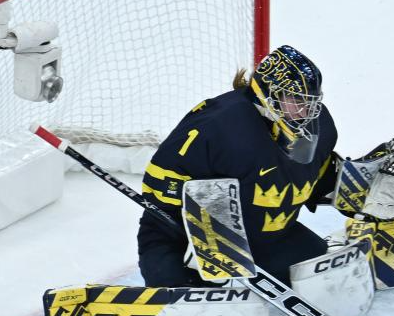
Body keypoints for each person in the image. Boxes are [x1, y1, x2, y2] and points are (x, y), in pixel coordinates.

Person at [138, 45, 337, 287]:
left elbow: (314, 179)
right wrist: (197, 233)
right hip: (183, 238)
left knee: (326, 280)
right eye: (296, 100)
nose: (306, 111)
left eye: (311, 102)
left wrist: (349, 188)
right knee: (181, 294)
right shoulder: (218, 126)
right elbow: (159, 185)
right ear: (270, 93)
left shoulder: (318, 126)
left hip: (265, 238)